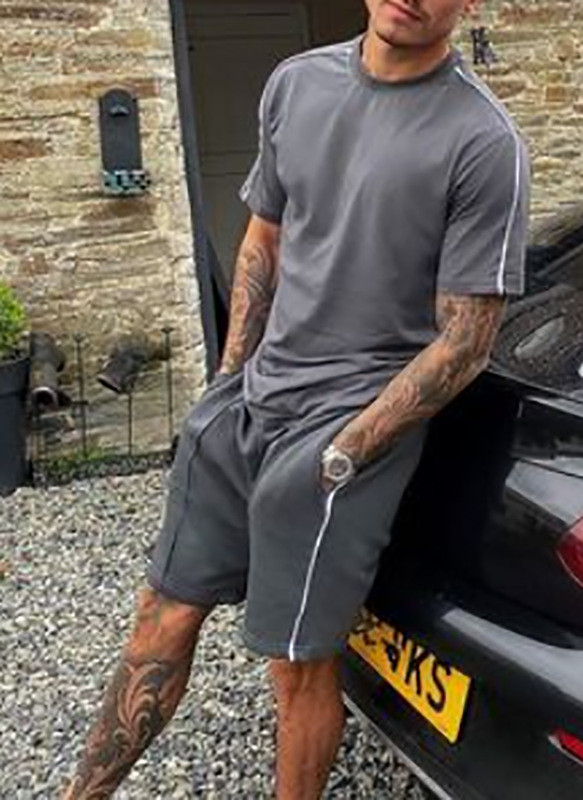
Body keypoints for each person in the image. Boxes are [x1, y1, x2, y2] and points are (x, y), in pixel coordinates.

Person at [62, 0, 529, 797]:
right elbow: (265, 239)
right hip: (251, 403)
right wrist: (226, 383)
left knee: (297, 668)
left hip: (341, 436)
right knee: (159, 616)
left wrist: (345, 453)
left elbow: (466, 342)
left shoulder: (484, 142)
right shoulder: (296, 84)